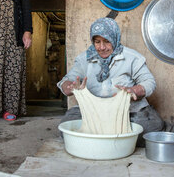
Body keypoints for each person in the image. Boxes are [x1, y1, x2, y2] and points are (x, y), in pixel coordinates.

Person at [57, 17, 164, 146]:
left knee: (152, 126)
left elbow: (149, 82)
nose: (102, 47)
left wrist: (134, 90)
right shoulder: (84, 59)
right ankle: (115, 138)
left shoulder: (132, 58)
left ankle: (99, 139)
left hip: (128, 111)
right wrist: (69, 87)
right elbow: (67, 80)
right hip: (92, 111)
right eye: (97, 42)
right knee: (66, 126)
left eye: (107, 41)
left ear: (115, 38)